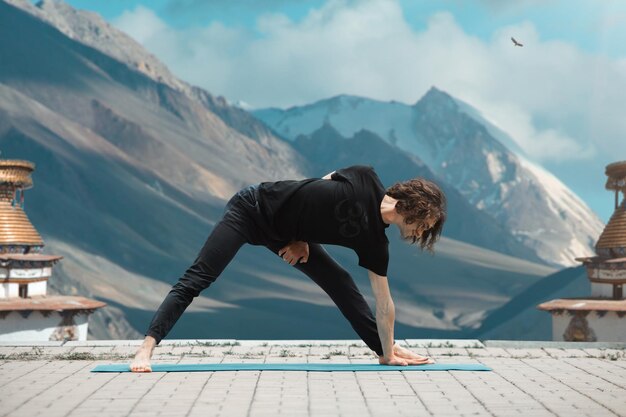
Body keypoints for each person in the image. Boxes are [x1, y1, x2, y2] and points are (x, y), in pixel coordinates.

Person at [131, 165, 447, 372]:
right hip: (251, 210)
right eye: (423, 225)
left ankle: (383, 349)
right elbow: (315, 189)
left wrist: (387, 350)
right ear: (412, 208)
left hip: (284, 234)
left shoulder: (376, 244)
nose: (421, 234)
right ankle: (146, 349)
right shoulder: (365, 177)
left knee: (340, 281)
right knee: (198, 278)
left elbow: (384, 302)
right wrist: (303, 236)